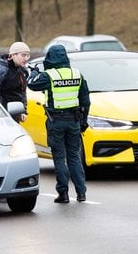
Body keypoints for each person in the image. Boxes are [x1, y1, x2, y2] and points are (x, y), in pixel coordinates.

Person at [27, 44, 91, 203]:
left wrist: (34, 71)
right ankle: (81, 193)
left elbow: (31, 84)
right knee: (74, 157)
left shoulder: (49, 76)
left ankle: (63, 194)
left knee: (59, 158)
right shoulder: (77, 74)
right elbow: (86, 101)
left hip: (56, 122)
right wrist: (84, 121)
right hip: (74, 121)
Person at [0, 41, 30, 123]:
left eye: (28, 55)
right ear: (13, 55)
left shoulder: (22, 71)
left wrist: (23, 111)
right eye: (23, 55)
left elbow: (22, 92)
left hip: (15, 113)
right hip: (1, 116)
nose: (26, 58)